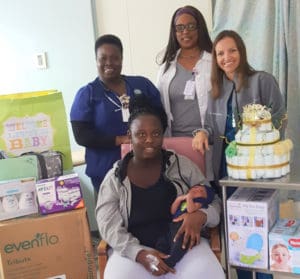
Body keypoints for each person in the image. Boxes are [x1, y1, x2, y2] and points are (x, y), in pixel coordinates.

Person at [95, 94, 224, 279]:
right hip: (134, 251)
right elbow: (107, 224)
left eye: (155, 133)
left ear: (163, 135)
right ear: (129, 136)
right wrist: (139, 254)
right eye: (141, 134)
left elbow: (214, 200)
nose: (149, 140)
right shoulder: (115, 178)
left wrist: (201, 216)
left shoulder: (182, 165)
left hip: (185, 245)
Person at [192, 30, 286, 279]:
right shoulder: (216, 89)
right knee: (238, 232)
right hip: (227, 172)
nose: (226, 57)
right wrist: (201, 133)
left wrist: (257, 136)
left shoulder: (262, 80)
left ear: (241, 52)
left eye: (232, 50)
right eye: (220, 53)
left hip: (257, 171)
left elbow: (279, 117)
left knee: (259, 229)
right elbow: (211, 128)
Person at [70, 34, 162, 193]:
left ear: (122, 59)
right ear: (96, 60)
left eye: (114, 58)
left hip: (146, 168)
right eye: (103, 58)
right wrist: (120, 140)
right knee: (110, 216)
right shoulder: (87, 94)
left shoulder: (142, 85)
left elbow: (161, 119)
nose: (109, 63)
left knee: (147, 214)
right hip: (104, 171)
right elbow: (81, 135)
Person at [156, 5, 215, 182]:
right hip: (175, 143)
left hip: (206, 142)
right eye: (179, 28)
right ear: (174, 32)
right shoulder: (166, 66)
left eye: (191, 26)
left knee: (209, 191)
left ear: (200, 28)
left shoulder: (213, 61)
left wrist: (207, 132)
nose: (185, 32)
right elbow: (159, 104)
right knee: (180, 191)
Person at [156, 184, 215, 268]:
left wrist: (189, 197)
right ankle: (161, 253)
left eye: (201, 191)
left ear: (206, 198)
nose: (197, 190)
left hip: (186, 225)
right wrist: (179, 199)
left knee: (180, 243)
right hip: (173, 225)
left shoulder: (199, 201)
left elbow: (191, 209)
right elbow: (173, 211)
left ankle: (171, 261)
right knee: (164, 239)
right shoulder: (183, 200)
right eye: (195, 188)